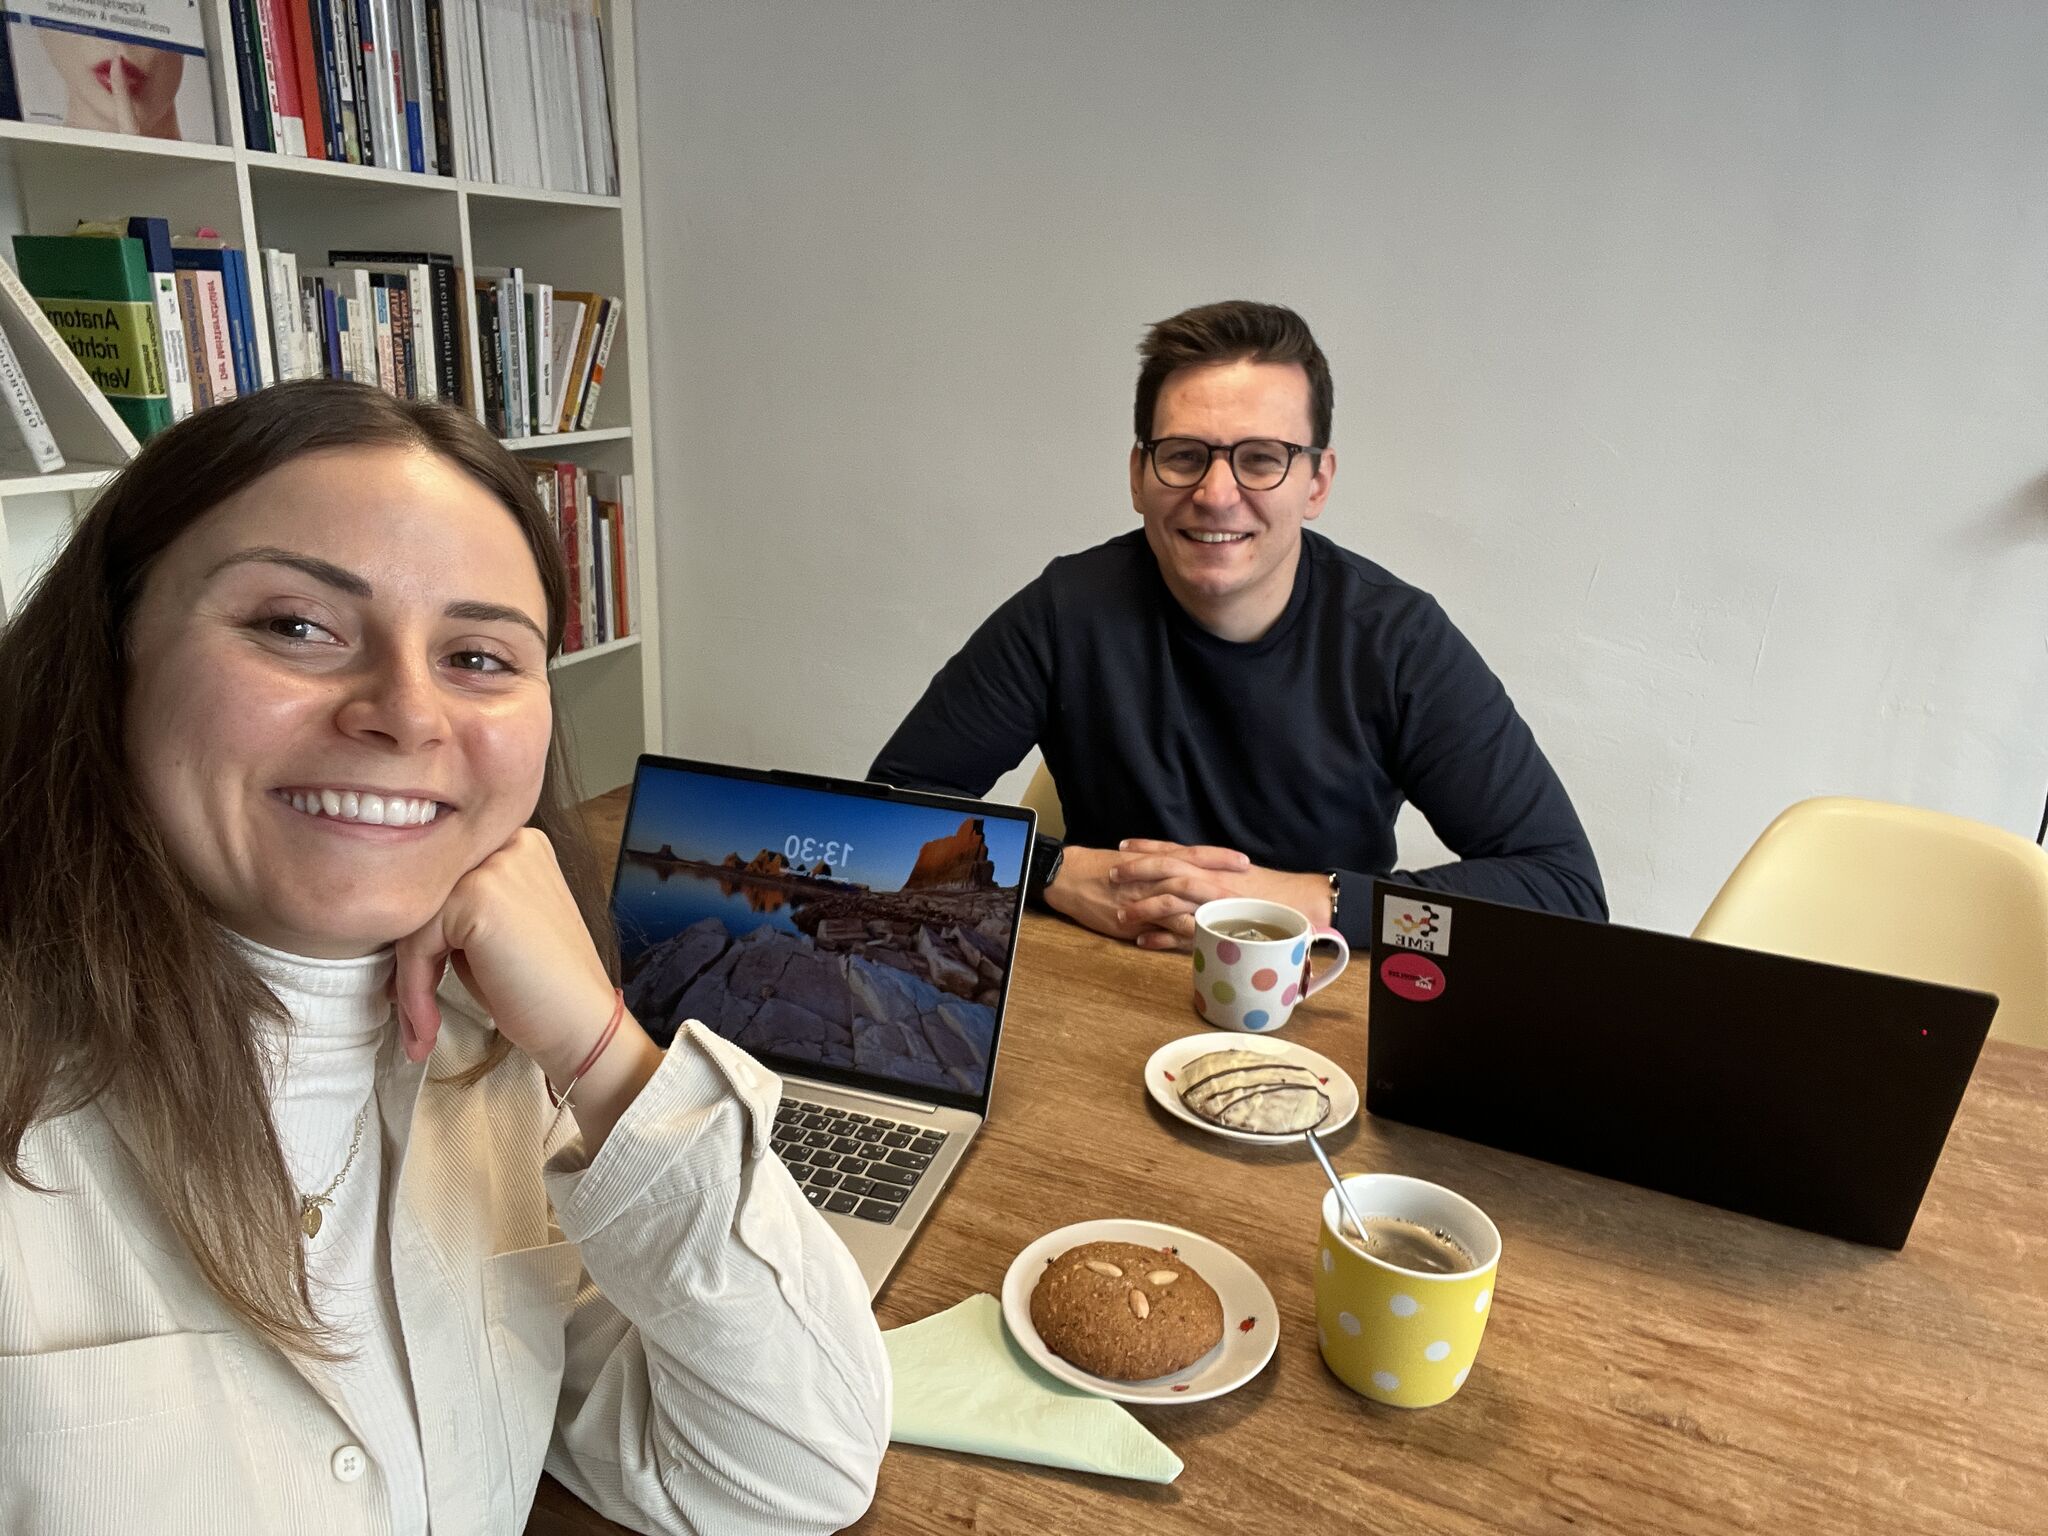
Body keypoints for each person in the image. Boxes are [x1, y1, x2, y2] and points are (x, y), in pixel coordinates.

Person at [0, 381, 888, 1534]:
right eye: (296, 625)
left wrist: (606, 1053)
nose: (408, 715)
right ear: (110, 652)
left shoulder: (506, 1066)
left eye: (476, 655)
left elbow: (792, 1473)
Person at [870, 300, 1605, 952]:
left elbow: (1564, 897)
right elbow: (886, 810)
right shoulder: (1067, 611)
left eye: (1261, 460)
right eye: (1184, 456)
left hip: (1311, 1000)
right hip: (1098, 979)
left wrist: (1317, 901)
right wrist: (1054, 872)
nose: (1216, 494)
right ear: (1139, 475)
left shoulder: (1398, 641)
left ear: (1316, 482)